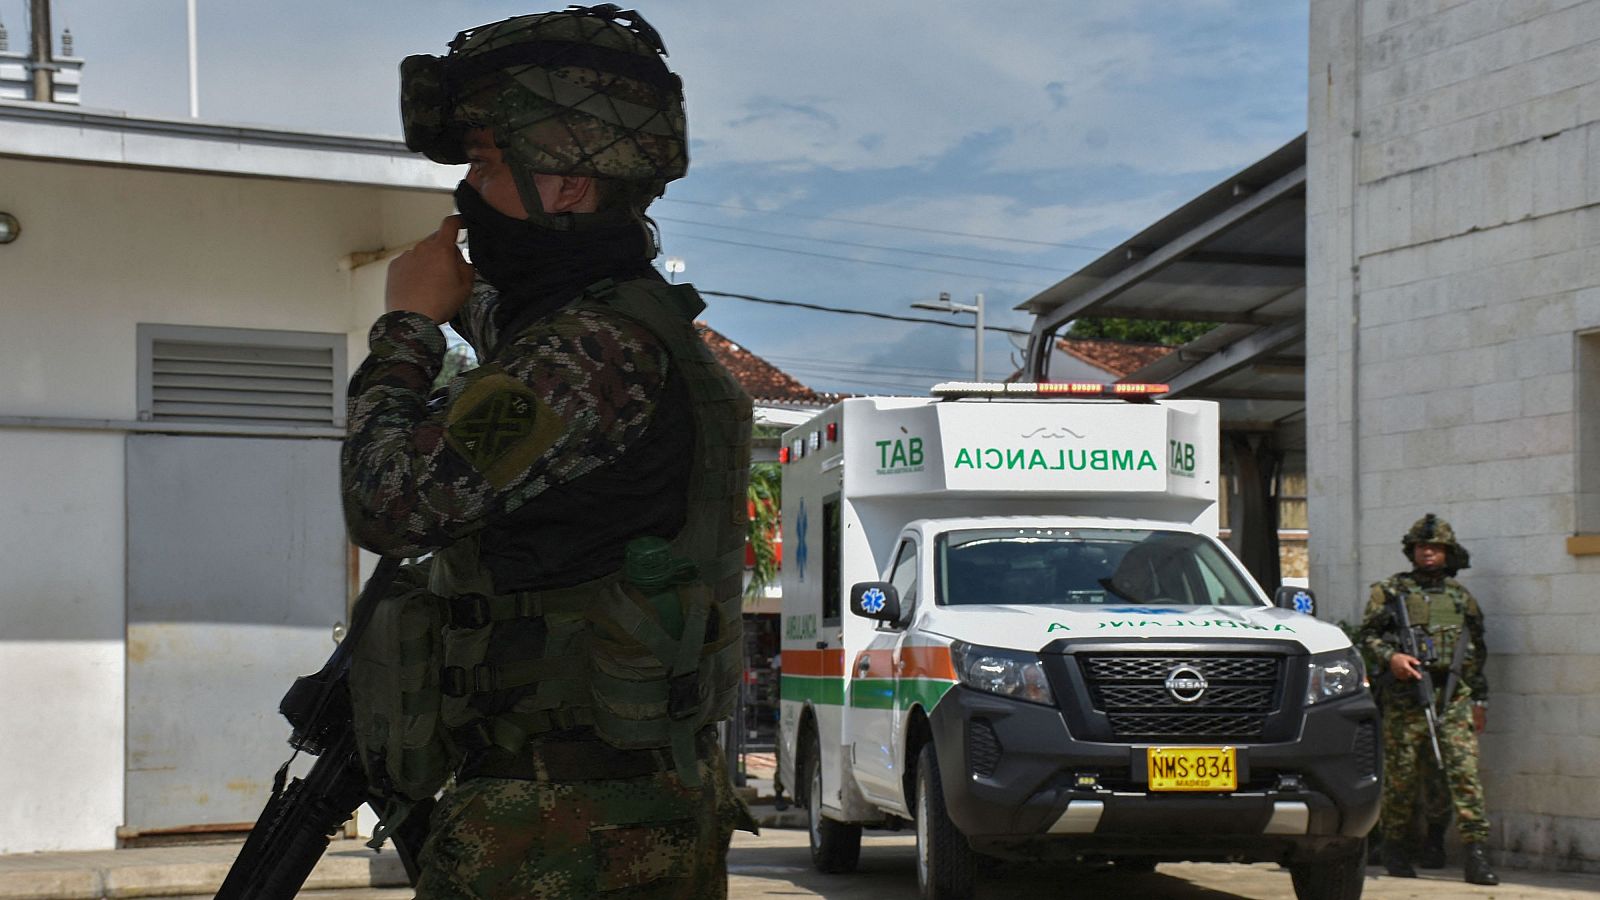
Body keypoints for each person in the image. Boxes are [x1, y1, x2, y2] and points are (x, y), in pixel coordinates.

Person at [340, 5, 756, 896]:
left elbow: (390, 503)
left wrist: (407, 326)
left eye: (487, 163)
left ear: (567, 183)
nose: (467, 191)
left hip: (563, 830)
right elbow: (521, 350)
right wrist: (470, 301)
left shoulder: (588, 352)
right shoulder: (622, 327)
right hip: (613, 808)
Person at [1357, 514, 1498, 886]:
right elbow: (1367, 637)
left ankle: (1476, 854)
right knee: (1401, 778)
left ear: (1447, 552)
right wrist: (1393, 658)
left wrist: (1479, 701)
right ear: (1412, 551)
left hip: (1451, 697)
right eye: (1422, 547)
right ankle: (1395, 849)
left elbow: (1476, 651)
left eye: (1435, 547)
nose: (1428, 553)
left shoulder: (1460, 598)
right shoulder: (1389, 592)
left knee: (1462, 775)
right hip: (1406, 699)